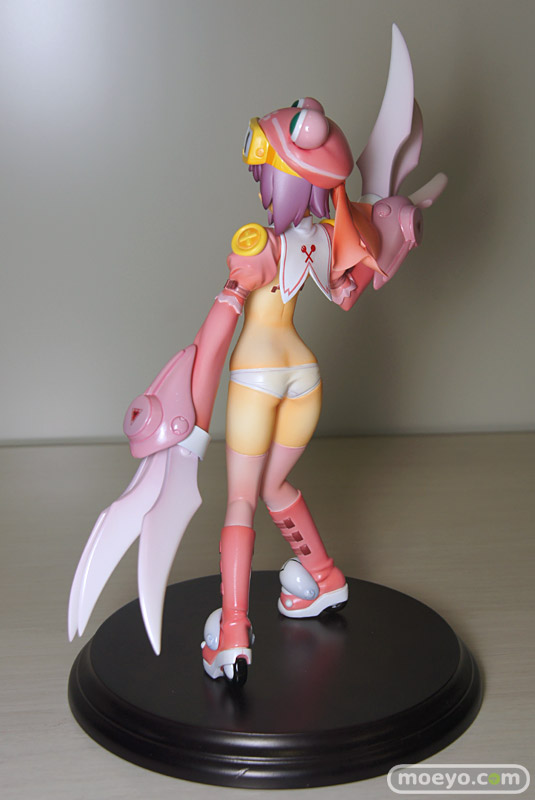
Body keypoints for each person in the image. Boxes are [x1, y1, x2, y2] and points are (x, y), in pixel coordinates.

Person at [199, 98, 384, 684]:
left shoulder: (257, 245)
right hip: (304, 376)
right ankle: (323, 578)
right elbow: (349, 293)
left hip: (257, 378)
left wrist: (192, 402)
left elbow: (220, 327)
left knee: (241, 499)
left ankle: (232, 631)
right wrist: (392, 235)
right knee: (274, 485)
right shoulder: (322, 239)